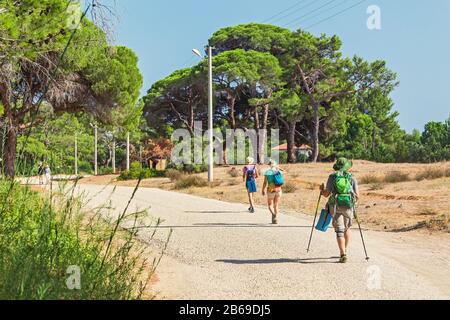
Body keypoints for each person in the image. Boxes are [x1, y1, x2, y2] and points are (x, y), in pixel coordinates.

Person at [320, 158, 360, 264]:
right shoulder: (352, 178)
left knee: (339, 230)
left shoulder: (332, 177)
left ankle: (343, 254)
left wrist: (321, 190)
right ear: (347, 167)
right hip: (348, 206)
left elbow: (326, 194)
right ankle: (344, 251)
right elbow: (357, 196)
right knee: (346, 228)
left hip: (335, 206)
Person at [262, 160, 284, 225]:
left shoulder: (267, 172)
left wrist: (263, 190)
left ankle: (274, 215)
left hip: (271, 190)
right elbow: (285, 171)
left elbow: (265, 182)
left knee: (270, 205)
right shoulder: (278, 171)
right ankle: (275, 219)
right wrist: (278, 168)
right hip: (278, 189)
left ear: (269, 165)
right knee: (276, 205)